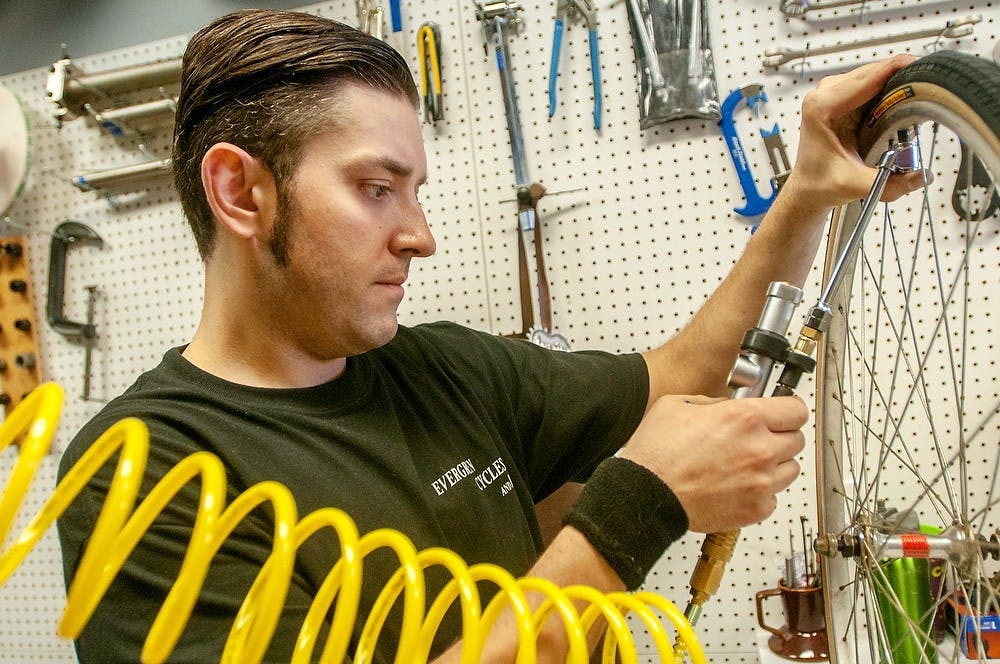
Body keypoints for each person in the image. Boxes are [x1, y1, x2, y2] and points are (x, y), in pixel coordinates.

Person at [55, 8, 923, 663]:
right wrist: (628, 516)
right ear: (242, 193)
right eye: (375, 187)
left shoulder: (438, 367)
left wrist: (807, 190)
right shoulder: (146, 473)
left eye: (417, 189)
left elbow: (687, 373)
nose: (420, 234)